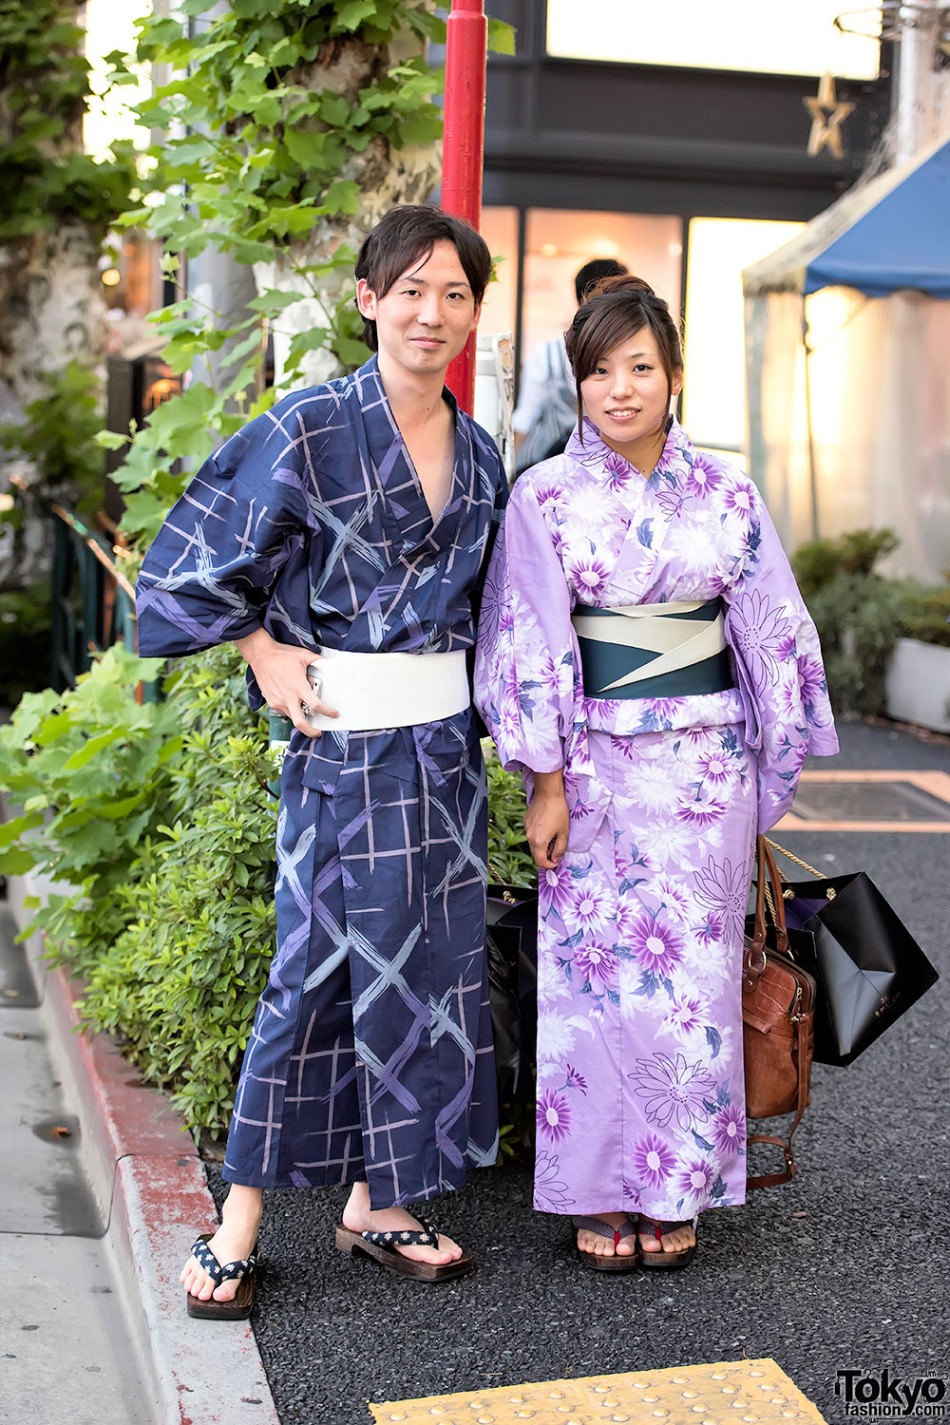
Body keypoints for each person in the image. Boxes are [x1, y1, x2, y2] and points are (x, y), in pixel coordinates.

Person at [136, 205, 508, 1314]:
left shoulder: (482, 453)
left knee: (433, 976)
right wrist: (257, 645)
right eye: (409, 291)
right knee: (309, 978)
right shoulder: (307, 425)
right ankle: (238, 1218)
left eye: (452, 294)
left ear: (474, 312)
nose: (429, 314)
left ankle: (379, 1202)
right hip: (340, 750)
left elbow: (505, 617)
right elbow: (187, 566)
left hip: (443, 759)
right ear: (366, 299)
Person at [475, 275, 837, 1271]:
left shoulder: (726, 494)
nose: (619, 388)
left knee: (688, 984)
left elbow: (767, 623)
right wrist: (542, 780)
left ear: (673, 376)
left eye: (639, 367)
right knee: (594, 989)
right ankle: (598, 1187)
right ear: (576, 383)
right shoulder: (543, 496)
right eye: (597, 371)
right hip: (591, 772)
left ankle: (674, 1189)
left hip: (699, 774)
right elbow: (528, 635)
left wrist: (771, 761)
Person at [512, 258, 628, 474]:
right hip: (612, 469)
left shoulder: (547, 355)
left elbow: (525, 419)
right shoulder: (634, 358)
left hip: (548, 469)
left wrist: (508, 471)